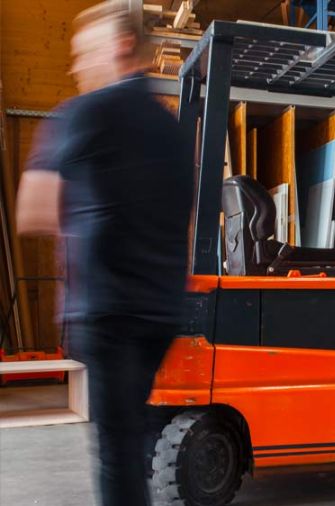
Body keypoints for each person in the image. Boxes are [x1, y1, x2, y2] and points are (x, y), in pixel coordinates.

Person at [16, 2, 193, 504]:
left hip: (108, 309)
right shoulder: (175, 132)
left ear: (119, 46)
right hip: (160, 311)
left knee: (116, 452)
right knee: (132, 440)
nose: (76, 67)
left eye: (82, 53)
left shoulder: (85, 113)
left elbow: (34, 210)